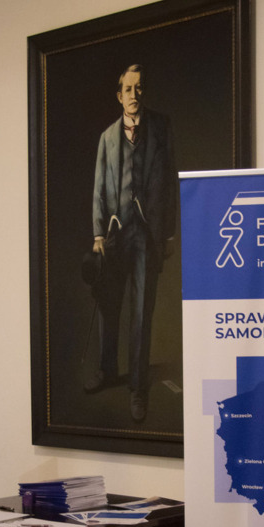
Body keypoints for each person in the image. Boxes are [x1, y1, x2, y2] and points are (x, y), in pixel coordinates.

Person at [86, 64, 176, 422]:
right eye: (128, 89)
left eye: (139, 88)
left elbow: (169, 183)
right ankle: (107, 371)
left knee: (141, 311)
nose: (134, 95)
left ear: (143, 92)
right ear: (119, 95)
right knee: (109, 305)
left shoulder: (161, 127)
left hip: (147, 232)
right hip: (114, 232)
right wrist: (98, 235)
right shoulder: (107, 137)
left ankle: (138, 387)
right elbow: (98, 188)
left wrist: (168, 234)